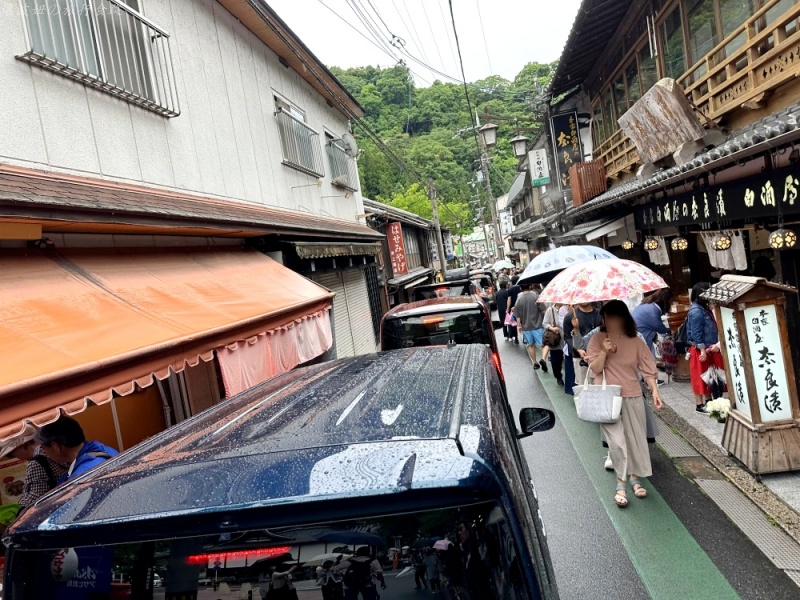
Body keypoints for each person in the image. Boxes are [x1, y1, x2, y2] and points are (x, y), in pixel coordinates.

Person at [585, 301, 663, 508]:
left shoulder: (636, 341)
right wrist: (603, 351)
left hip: (633, 395)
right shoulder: (597, 339)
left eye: (614, 318)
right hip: (607, 399)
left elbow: (647, 368)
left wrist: (654, 390)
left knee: (635, 440)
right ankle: (621, 483)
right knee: (617, 443)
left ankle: (635, 477)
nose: (609, 322)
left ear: (623, 319)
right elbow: (595, 368)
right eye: (606, 318)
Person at [35, 416, 118, 482]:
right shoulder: (104, 449)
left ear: (55, 446)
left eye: (44, 448)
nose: (45, 453)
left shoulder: (80, 476)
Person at [686, 282, 725, 412]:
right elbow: (696, 333)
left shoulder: (701, 308)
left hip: (706, 348)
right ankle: (699, 405)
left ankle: (708, 402)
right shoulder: (697, 311)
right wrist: (702, 350)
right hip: (700, 349)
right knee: (700, 377)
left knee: (707, 376)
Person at [7, 439, 69, 509]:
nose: (20, 458)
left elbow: (35, 498)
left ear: (20, 447)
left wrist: (21, 509)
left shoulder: (36, 463)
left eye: (16, 456)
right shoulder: (50, 450)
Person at [564, 302, 603, 385]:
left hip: (598, 356)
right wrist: (578, 350)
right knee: (583, 386)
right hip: (580, 358)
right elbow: (567, 337)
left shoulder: (600, 314)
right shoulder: (570, 317)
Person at [513, 283, 546, 370]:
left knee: (530, 345)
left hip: (526, 327)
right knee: (543, 344)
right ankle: (543, 359)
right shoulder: (535, 296)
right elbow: (543, 309)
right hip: (538, 324)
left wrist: (519, 326)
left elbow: (518, 316)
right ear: (530, 286)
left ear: (520, 288)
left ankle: (535, 362)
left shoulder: (518, 300)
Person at [542, 304, 565, 386]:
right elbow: (544, 323)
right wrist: (552, 328)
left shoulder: (569, 308)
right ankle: (558, 377)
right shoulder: (550, 310)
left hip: (567, 339)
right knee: (556, 362)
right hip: (556, 339)